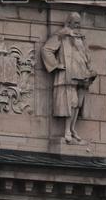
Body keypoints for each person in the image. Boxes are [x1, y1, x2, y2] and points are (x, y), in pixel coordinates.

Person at [41, 12, 97, 144]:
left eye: (79, 23)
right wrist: (56, 65)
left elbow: (86, 56)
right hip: (69, 74)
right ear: (69, 22)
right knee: (70, 102)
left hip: (82, 75)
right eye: (76, 22)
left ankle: (72, 129)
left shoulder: (81, 37)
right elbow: (46, 49)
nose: (78, 25)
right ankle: (67, 130)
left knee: (78, 104)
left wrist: (90, 70)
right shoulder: (62, 35)